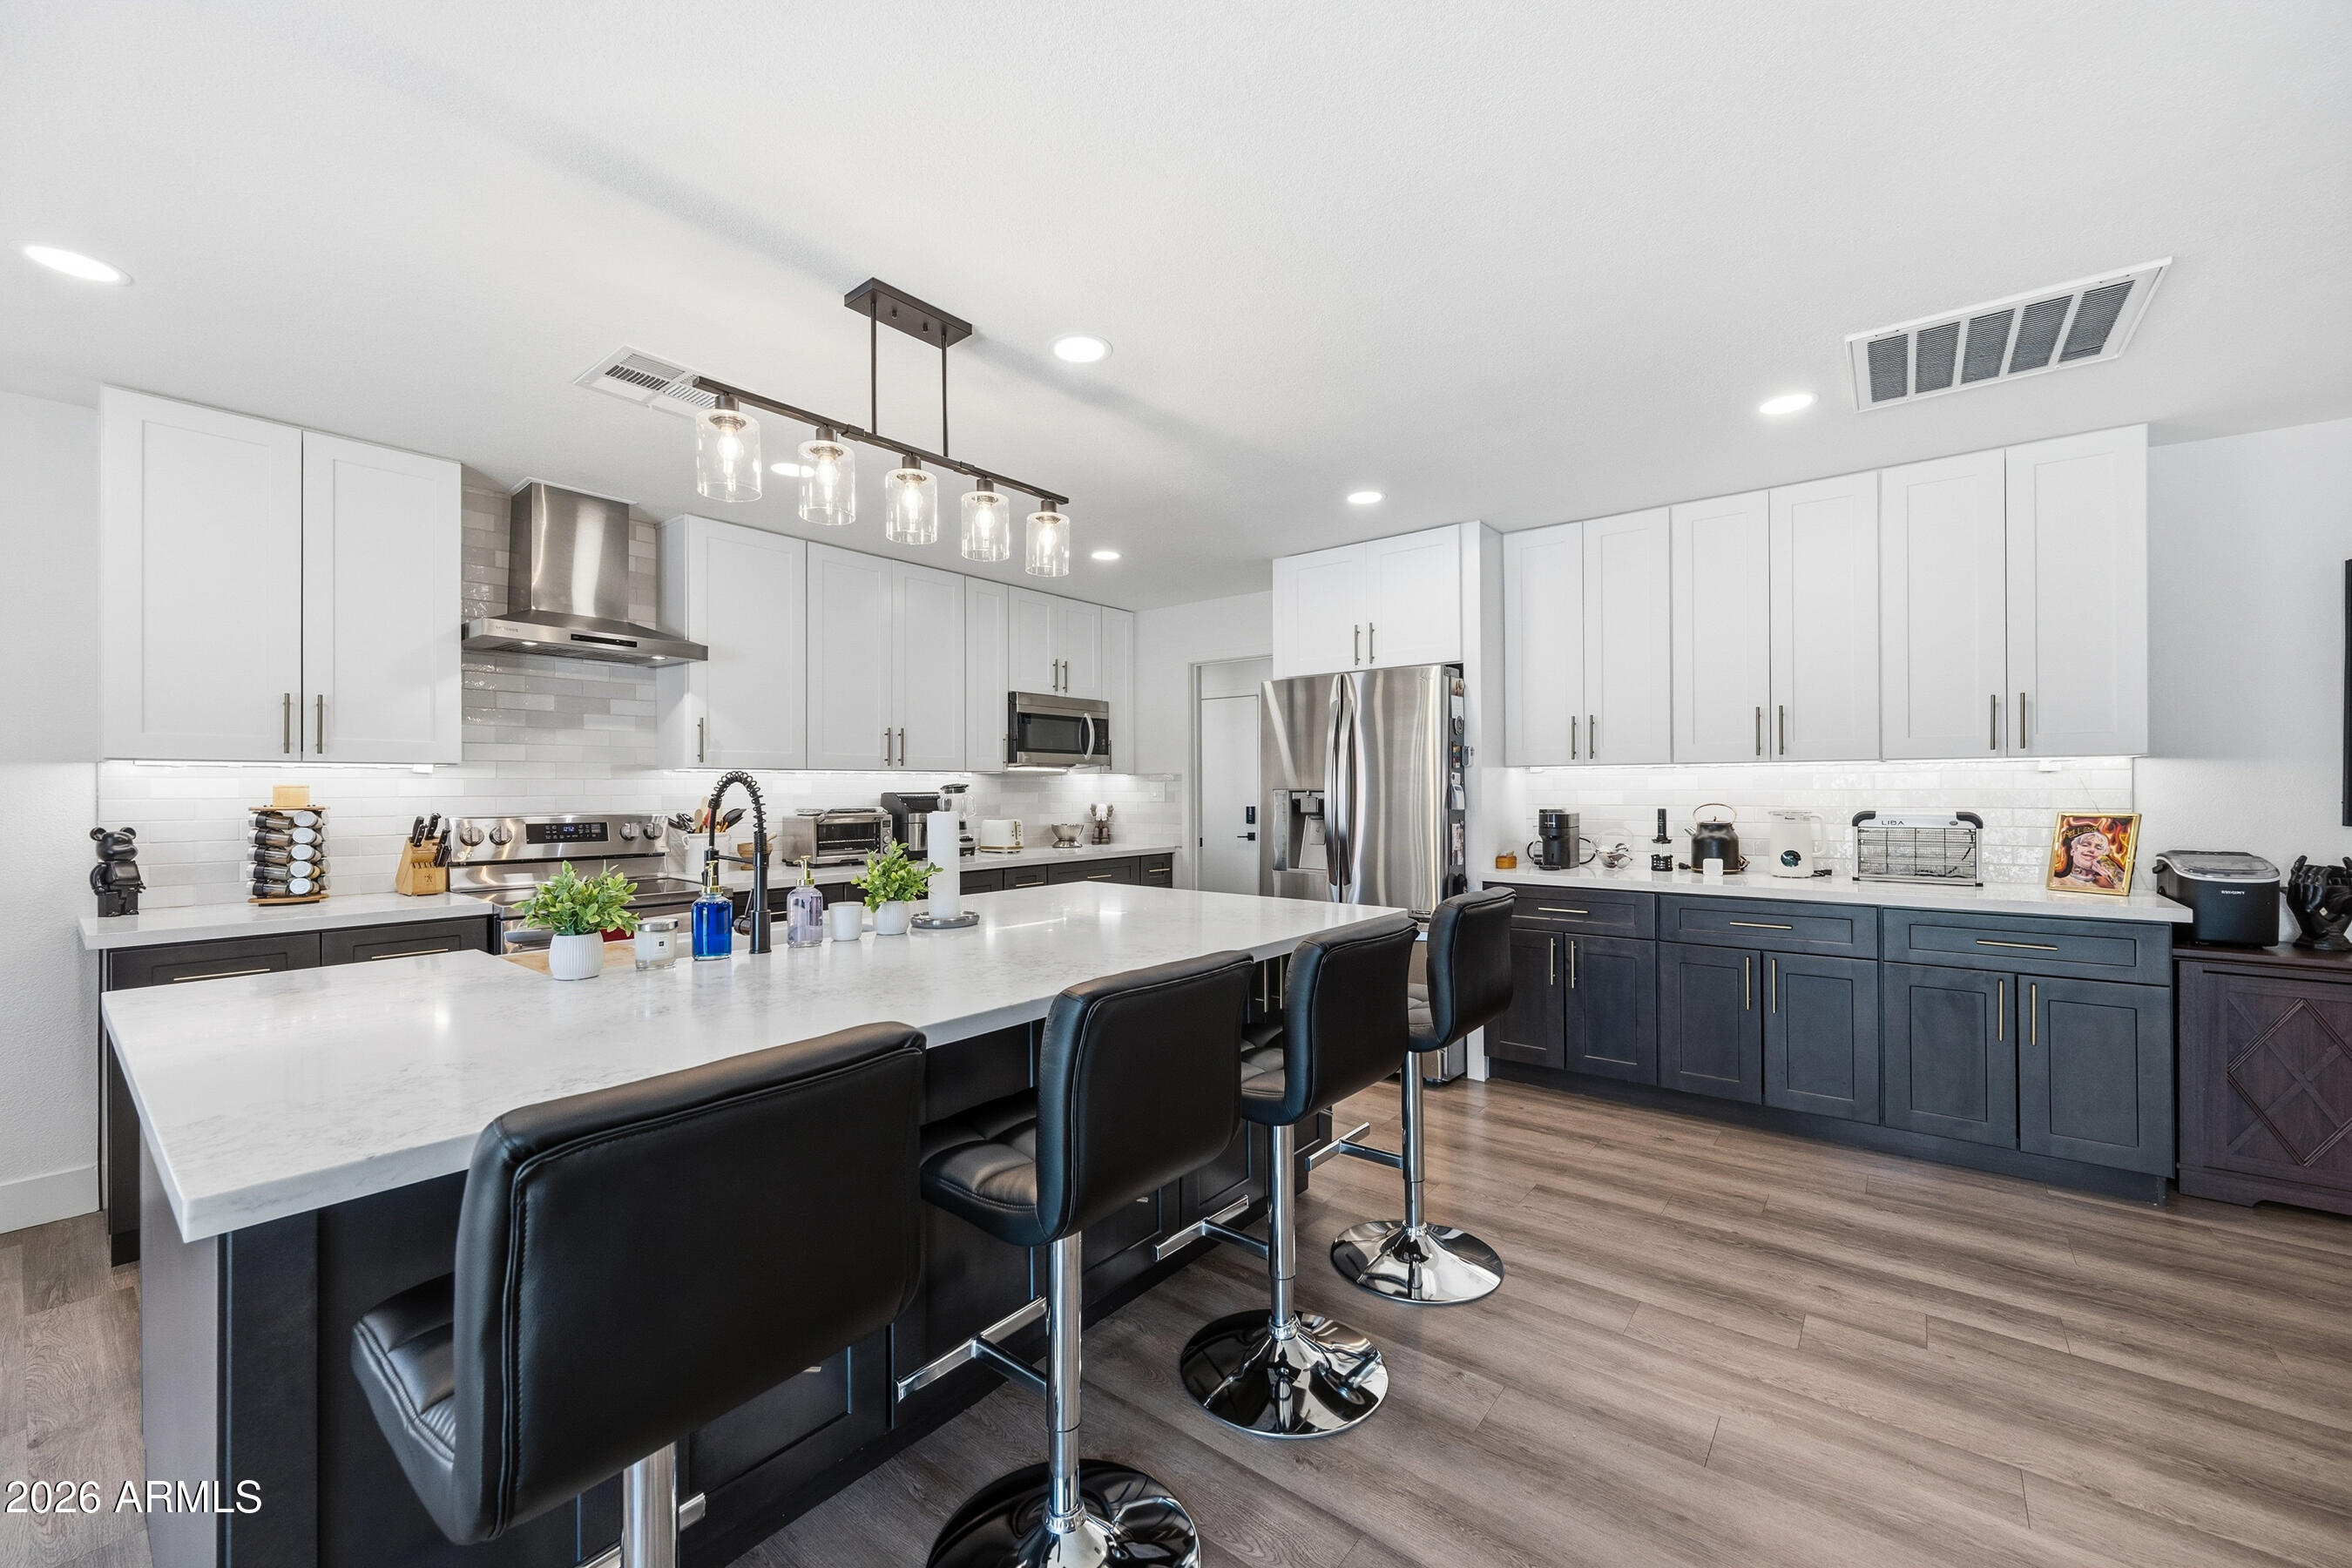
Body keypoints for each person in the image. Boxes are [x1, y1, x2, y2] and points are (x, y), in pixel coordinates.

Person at [2052, 821, 2122, 890]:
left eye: (2098, 848)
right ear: (2072, 851)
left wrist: (2110, 873)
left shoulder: (2109, 885)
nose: (2092, 850)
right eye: (2085, 845)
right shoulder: (2058, 882)